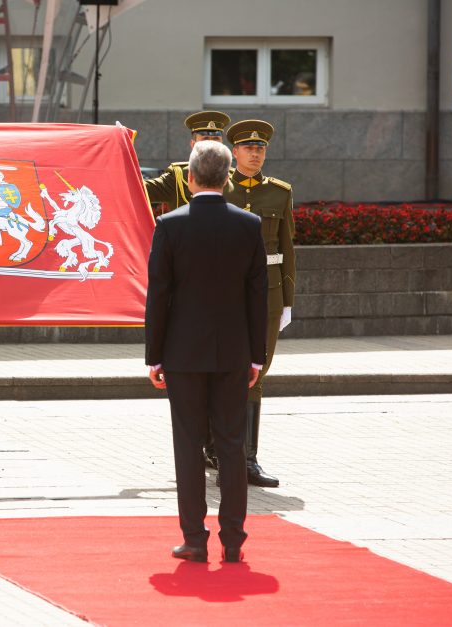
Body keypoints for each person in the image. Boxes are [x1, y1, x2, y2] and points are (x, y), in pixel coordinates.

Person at [145, 140, 268, 563]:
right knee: (232, 444)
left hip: (183, 355)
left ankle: (194, 538)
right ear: (229, 178)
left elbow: (158, 295)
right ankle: (233, 538)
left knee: (188, 443)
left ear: (191, 178)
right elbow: (258, 296)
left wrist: (154, 356)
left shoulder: (171, 226)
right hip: (235, 354)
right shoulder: (249, 225)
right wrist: (257, 357)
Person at [223, 119, 296, 489]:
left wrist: (287, 301)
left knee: (257, 372)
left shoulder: (279, 194)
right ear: (234, 152)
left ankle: (247, 461)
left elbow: (287, 250)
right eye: (248, 148)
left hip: (267, 296)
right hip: (226, 296)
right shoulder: (219, 189)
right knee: (226, 373)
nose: (255, 153)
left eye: (261, 148)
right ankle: (224, 455)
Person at [143, 110, 230, 214]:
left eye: (216, 139)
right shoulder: (178, 177)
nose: (211, 144)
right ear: (193, 145)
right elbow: (139, 190)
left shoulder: (233, 177)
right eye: (205, 139)